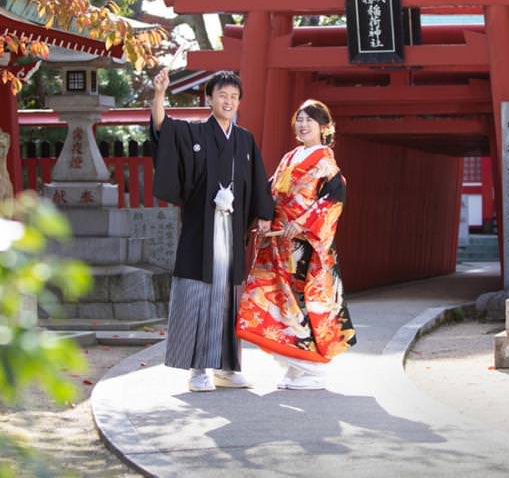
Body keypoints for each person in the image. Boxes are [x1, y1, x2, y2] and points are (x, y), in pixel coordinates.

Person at [149, 68, 274, 392]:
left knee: (229, 297)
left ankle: (228, 368)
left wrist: (264, 213)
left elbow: (258, 181)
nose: (228, 101)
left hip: (232, 228)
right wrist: (160, 94)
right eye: (222, 95)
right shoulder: (193, 133)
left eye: (234, 97)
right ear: (209, 99)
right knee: (198, 294)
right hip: (201, 230)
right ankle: (198, 369)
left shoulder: (245, 140)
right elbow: (163, 127)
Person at [236, 99, 356, 390]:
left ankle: (314, 368)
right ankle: (296, 366)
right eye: (299, 120)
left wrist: (302, 223)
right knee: (274, 301)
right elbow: (270, 190)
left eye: (309, 121)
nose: (302, 125)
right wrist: (264, 216)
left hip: (302, 247)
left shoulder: (326, 161)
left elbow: (333, 199)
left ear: (324, 127)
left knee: (299, 304)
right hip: (278, 241)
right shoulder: (290, 157)